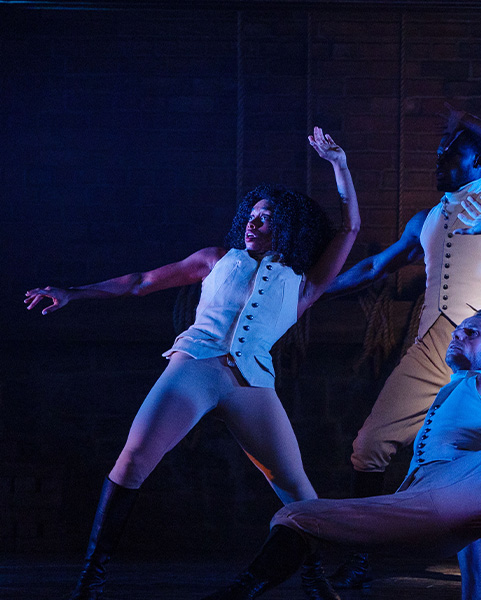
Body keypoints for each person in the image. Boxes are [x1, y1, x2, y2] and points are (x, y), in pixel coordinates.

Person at [24, 127, 360, 600]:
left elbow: (350, 229)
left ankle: (312, 578)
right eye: (252, 215)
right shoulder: (216, 259)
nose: (253, 223)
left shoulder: (305, 283)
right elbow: (141, 281)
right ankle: (92, 579)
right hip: (194, 366)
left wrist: (338, 165)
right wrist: (73, 293)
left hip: (252, 384)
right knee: (134, 458)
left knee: (298, 491)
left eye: (266, 219)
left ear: (288, 229)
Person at [202, 195, 481, 600]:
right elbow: (469, 526)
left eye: (472, 331)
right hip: (414, 508)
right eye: (460, 326)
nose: (458, 333)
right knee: (293, 515)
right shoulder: (450, 392)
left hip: (451, 504)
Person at [322, 105, 481, 593]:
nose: (440, 157)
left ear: (478, 161)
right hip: (430, 347)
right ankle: (359, 557)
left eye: (452, 151)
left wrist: (469, 121)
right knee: (369, 446)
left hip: (480, 349)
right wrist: (313, 290)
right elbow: (375, 268)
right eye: (440, 150)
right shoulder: (425, 218)